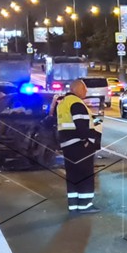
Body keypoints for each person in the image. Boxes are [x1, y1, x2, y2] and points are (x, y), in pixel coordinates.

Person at [55, 78, 98, 213]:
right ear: (77, 89)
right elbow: (81, 124)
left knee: (73, 175)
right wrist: (87, 141)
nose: (86, 91)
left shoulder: (63, 103)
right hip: (79, 146)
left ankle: (73, 205)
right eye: (84, 89)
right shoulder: (76, 103)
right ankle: (85, 205)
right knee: (85, 175)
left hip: (68, 145)